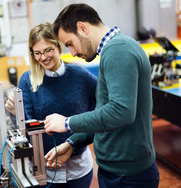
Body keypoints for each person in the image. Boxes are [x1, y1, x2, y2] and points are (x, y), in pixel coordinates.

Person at [43, 3, 160, 188]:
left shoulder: (118, 50)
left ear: (82, 28)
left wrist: (67, 123)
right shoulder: (115, 49)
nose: (73, 53)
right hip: (118, 172)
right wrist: (73, 142)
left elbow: (120, 112)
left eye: (70, 44)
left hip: (128, 177)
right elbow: (104, 114)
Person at [5, 22, 97, 188]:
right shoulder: (27, 81)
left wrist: (77, 139)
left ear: (58, 46)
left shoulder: (80, 75)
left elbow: (100, 109)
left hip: (79, 168)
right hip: (44, 171)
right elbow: (26, 129)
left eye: (48, 50)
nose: (43, 57)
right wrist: (14, 112)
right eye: (37, 53)